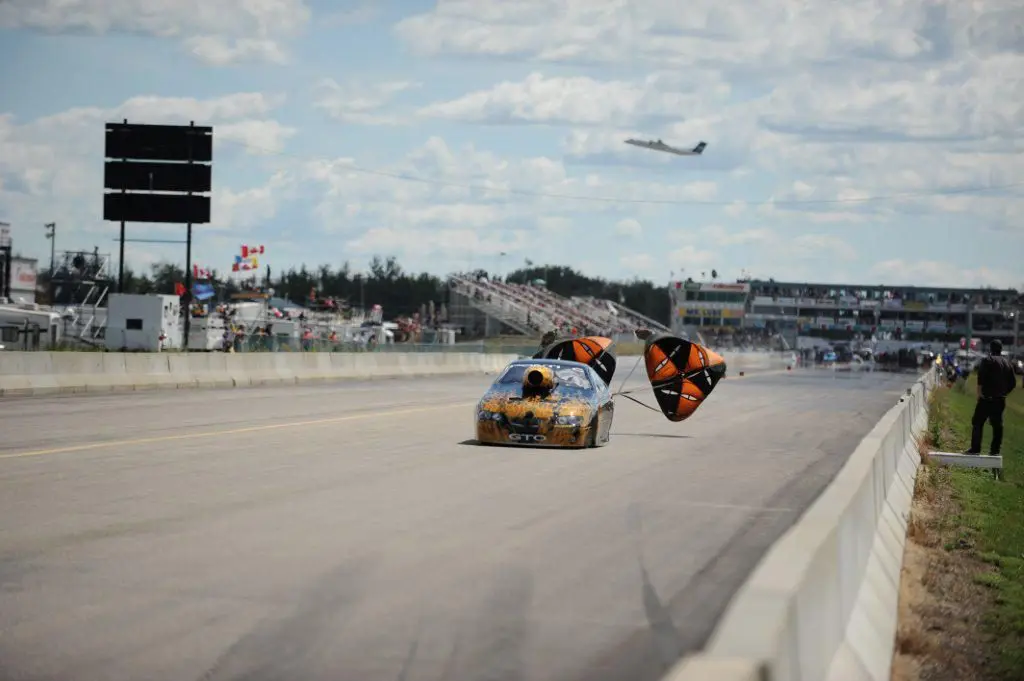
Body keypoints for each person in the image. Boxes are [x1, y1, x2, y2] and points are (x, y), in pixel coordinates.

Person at [966, 339, 1017, 456]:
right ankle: (995, 451)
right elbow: (1013, 383)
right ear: (1001, 349)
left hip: (986, 399)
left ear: (990, 348)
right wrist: (1004, 392)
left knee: (978, 422)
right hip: (1000, 400)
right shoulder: (1007, 363)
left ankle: (975, 449)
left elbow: (981, 378)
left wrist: (979, 394)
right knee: (997, 425)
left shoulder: (987, 360)